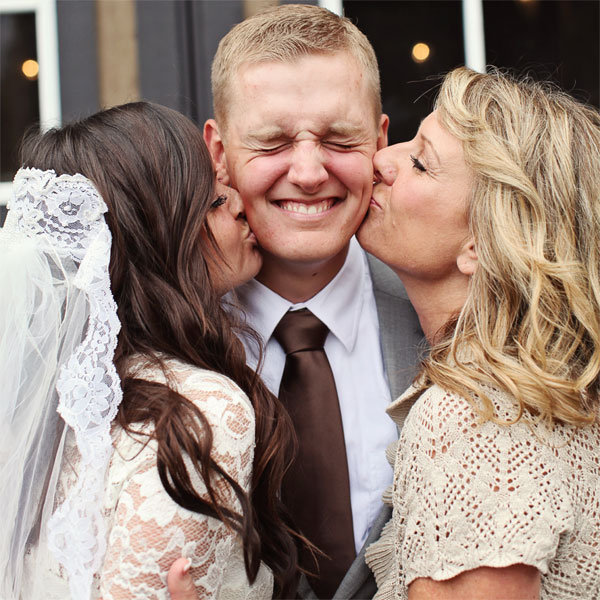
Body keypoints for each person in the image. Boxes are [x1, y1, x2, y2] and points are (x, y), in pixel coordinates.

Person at [0, 101, 298, 599]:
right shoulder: (200, 414)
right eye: (214, 201)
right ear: (160, 240)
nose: (243, 203)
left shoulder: (56, 408)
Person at [202, 4, 422, 598]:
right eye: (272, 141)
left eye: (338, 139)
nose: (307, 171)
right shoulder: (162, 346)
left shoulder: (449, 317)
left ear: (379, 140)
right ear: (220, 153)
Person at [358, 67, 600, 599]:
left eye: (421, 162)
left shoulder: (473, 419)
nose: (382, 159)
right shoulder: (538, 394)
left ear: (481, 242)